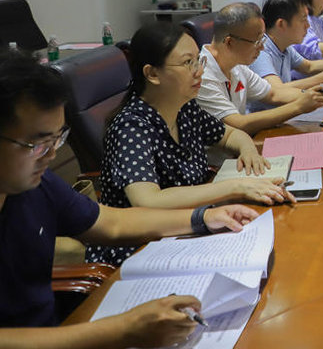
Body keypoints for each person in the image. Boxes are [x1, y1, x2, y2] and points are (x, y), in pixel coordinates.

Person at [0, 47, 258, 343]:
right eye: (37, 144)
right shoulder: (132, 124)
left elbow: (113, 223)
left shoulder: (38, 185)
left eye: (57, 139)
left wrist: (204, 217)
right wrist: (124, 329)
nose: (51, 155)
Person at [88, 22, 295, 267]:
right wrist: (235, 186)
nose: (199, 71)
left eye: (199, 60)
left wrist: (248, 150)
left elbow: (231, 135)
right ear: (152, 74)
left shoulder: (185, 108)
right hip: (142, 249)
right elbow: (148, 201)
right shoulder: (131, 126)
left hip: (192, 227)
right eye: (188, 63)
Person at [196, 2, 323, 135]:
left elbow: (273, 94)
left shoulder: (237, 66)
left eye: (262, 40)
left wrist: (314, 96)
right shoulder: (201, 76)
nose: (262, 47)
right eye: (256, 42)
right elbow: (238, 124)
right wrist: (298, 106)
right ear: (229, 42)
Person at [249, 0, 323, 91]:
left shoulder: (284, 47)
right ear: (281, 24)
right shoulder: (261, 51)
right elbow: (277, 90)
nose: (307, 26)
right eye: (303, 20)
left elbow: (309, 66)